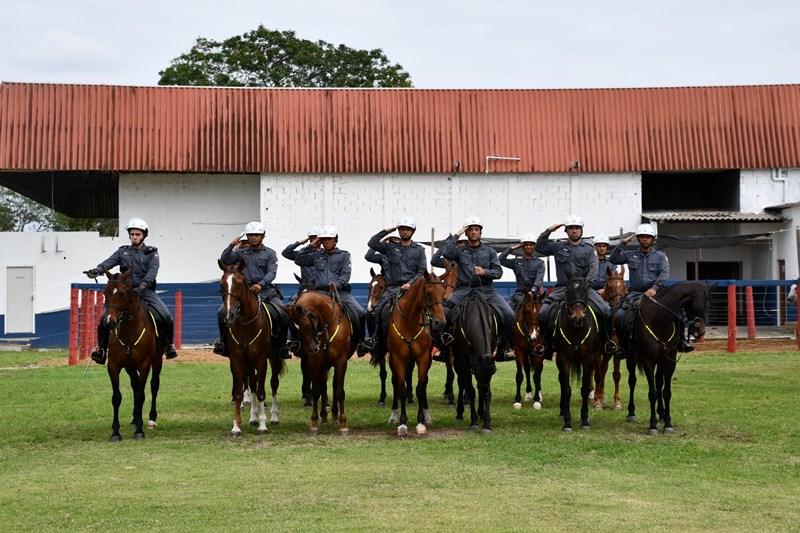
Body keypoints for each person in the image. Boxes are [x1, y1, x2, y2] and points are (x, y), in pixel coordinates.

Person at [84, 217, 178, 364]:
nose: (134, 237)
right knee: (104, 319)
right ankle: (101, 350)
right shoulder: (122, 252)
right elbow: (109, 262)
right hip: (124, 293)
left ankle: (168, 346)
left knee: (166, 316)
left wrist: (141, 287)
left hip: (145, 292)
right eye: (132, 234)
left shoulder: (152, 252)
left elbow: (152, 273)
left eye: (137, 234)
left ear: (143, 235)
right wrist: (97, 270)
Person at [533, 215, 617, 360]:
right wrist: (548, 230)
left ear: (581, 231)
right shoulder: (558, 246)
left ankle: (606, 342)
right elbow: (539, 247)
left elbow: (594, 269)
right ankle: (545, 345)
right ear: (566, 231)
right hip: (562, 289)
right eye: (571, 228)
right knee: (543, 313)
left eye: (577, 228)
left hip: (584, 289)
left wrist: (584, 285)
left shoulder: (589, 249)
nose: (574, 231)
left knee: (606, 310)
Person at [609, 223, 693, 353]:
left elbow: (664, 274)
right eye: (642, 237)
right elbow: (614, 259)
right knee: (619, 316)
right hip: (635, 293)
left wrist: (654, 288)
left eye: (648, 237)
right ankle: (623, 347)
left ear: (652, 239)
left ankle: (682, 342)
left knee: (678, 314)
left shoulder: (660, 256)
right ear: (639, 239)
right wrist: (623, 243)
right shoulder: (630, 254)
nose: (645, 239)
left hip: (657, 292)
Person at [440, 216, 515, 360]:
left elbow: (498, 272)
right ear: (466, 233)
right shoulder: (459, 251)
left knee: (509, 315)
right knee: (443, 313)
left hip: (487, 290)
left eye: (476, 229)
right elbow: (446, 253)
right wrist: (457, 235)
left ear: (480, 232)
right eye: (470, 230)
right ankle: (445, 347)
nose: (473, 232)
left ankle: (503, 348)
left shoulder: (490, 251)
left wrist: (485, 272)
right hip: (463, 291)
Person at [213, 221, 288, 358]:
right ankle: (223, 343)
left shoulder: (270, 253)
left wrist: (261, 284)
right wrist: (232, 245)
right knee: (221, 312)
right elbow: (225, 260)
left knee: (283, 314)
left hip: (266, 292)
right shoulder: (240, 253)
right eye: (251, 235)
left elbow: (272, 272)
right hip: (243, 292)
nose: (253, 237)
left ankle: (283, 347)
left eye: (257, 235)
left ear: (262, 236)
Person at [293, 225, 370, 355]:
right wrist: (311, 245)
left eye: (330, 239)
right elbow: (299, 260)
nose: (327, 241)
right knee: (296, 311)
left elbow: (346, 274)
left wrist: (337, 285)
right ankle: (297, 342)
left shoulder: (344, 255)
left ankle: (360, 342)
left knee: (360, 312)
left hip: (340, 292)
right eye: (324, 239)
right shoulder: (316, 255)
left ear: (335, 240)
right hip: (319, 293)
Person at [362, 216, 428, 357]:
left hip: (413, 288)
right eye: (402, 229)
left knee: (432, 308)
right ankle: (375, 339)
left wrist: (410, 283)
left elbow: (422, 270)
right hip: (392, 288)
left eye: (408, 229)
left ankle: (435, 340)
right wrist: (388, 230)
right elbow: (371, 243)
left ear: (412, 232)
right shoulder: (390, 248)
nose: (405, 231)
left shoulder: (419, 250)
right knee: (378, 310)